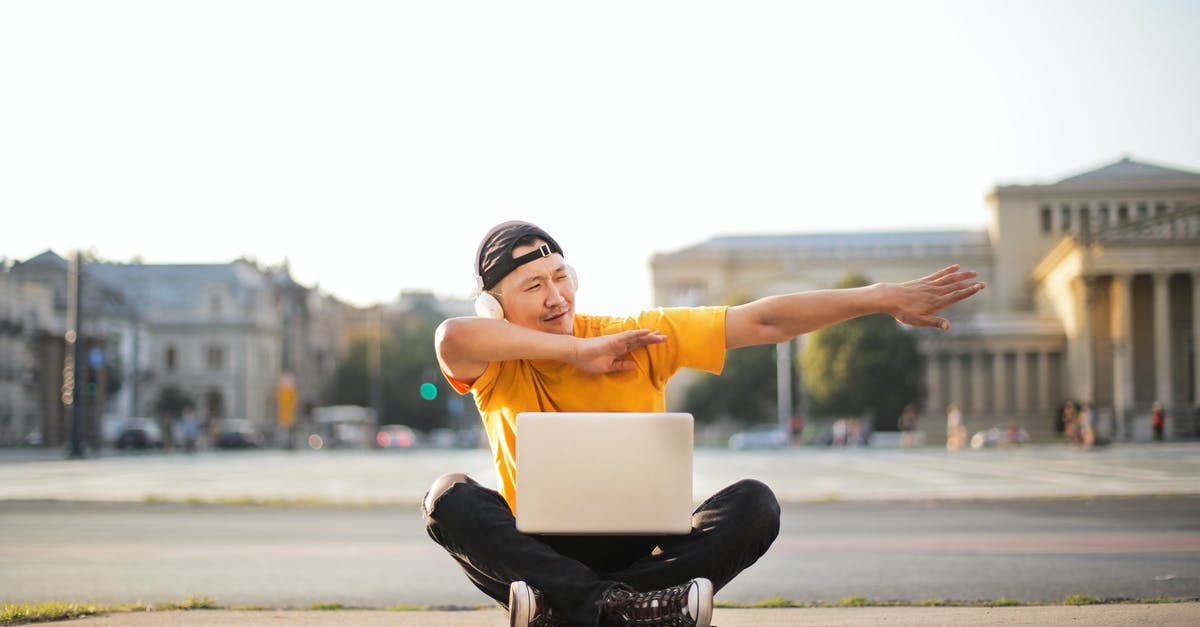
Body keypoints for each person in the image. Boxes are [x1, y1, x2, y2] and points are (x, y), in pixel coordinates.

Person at [425, 220, 986, 627]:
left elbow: (763, 320)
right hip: (537, 549)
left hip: (635, 546)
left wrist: (879, 297)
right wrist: (578, 354)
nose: (556, 297)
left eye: (560, 276)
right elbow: (451, 338)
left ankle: (578, 607)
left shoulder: (638, 333)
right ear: (494, 308)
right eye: (533, 286)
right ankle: (627, 609)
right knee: (447, 498)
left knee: (755, 503)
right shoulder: (493, 362)